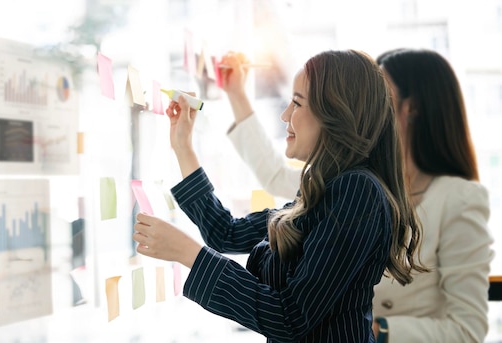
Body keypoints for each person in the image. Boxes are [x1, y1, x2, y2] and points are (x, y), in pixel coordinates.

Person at [132, 49, 428, 342]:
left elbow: (290, 318)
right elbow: (226, 233)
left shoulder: (357, 192)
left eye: (297, 104)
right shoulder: (320, 191)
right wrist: (183, 146)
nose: (285, 115)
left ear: (335, 115)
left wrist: (188, 254)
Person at [220, 48, 495, 342]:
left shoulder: (458, 199)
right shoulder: (347, 178)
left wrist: (380, 329)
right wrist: (236, 93)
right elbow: (275, 176)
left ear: (411, 108)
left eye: (381, 93)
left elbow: (468, 329)